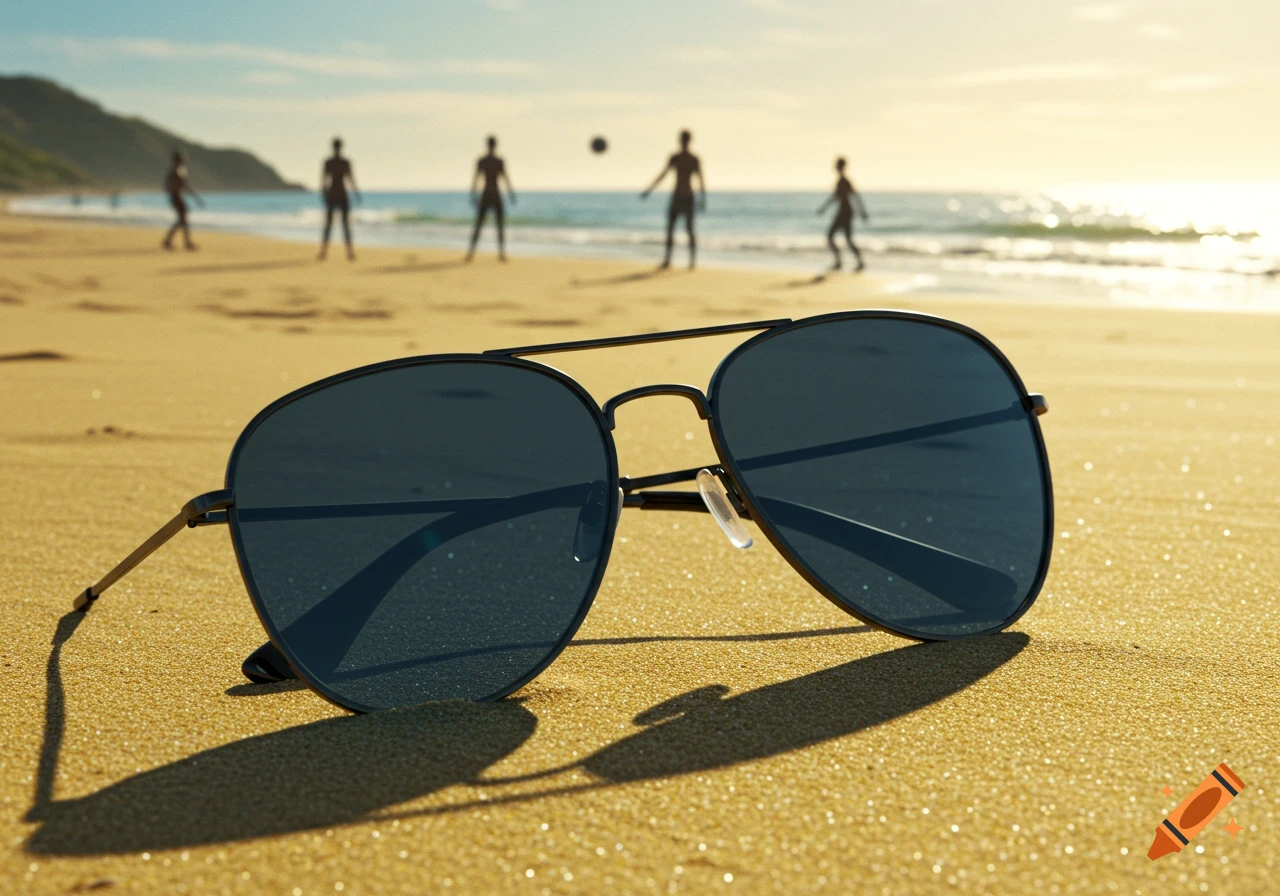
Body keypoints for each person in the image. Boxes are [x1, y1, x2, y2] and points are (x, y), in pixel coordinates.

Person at [641, 129, 705, 269]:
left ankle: (692, 261)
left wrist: (702, 198)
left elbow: (700, 179)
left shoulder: (694, 159)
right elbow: (663, 175)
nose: (683, 142)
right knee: (670, 230)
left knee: (689, 230)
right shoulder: (674, 157)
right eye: (682, 139)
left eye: (684, 139)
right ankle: (667, 259)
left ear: (688, 141)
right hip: (676, 197)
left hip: (688, 197)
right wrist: (649, 189)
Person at [466, 136, 516, 262]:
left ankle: (497, 253)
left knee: (489, 225)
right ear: (494, 145)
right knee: (486, 225)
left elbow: (476, 179)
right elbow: (505, 178)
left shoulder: (486, 161)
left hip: (489, 194)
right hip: (492, 194)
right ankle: (475, 253)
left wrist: (473, 194)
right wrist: (511, 193)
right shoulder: (494, 161)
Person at [816, 157, 869, 272]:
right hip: (843, 212)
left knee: (835, 237)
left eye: (837, 165)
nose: (835, 167)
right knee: (842, 238)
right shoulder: (840, 180)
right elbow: (835, 197)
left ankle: (846, 262)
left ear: (841, 167)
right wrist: (823, 208)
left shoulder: (844, 181)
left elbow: (855, 196)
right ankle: (847, 262)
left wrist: (862, 211)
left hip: (845, 213)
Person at [319, 138, 360, 261]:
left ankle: (327, 252)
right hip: (339, 195)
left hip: (335, 195)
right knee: (339, 225)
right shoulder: (340, 162)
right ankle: (346, 252)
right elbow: (350, 179)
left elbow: (324, 181)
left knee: (333, 225)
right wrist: (356, 192)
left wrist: (324, 194)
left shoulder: (332, 162)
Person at [162, 151, 203, 251]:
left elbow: (169, 186)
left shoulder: (174, 171)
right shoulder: (177, 171)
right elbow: (184, 185)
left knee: (182, 220)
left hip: (176, 197)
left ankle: (172, 241)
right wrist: (196, 197)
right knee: (182, 220)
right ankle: (184, 242)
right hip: (177, 197)